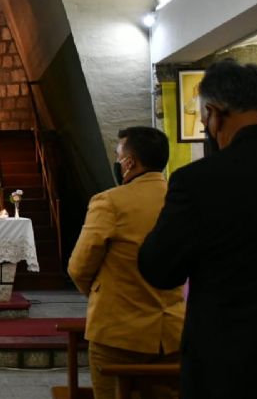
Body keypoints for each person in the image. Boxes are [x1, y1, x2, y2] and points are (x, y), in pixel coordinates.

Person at [139, 60, 257, 399]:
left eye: (203, 122)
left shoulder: (199, 181)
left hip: (229, 364)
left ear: (214, 114)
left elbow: (159, 267)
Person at [68, 126, 184, 399]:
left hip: (118, 329)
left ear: (130, 162)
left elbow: (80, 266)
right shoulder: (181, 199)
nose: (118, 162)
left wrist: (100, 294)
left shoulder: (111, 202)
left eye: (119, 156)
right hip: (172, 331)